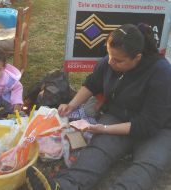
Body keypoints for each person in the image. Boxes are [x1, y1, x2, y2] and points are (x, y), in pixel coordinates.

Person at [26, 23, 171, 190]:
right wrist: (71, 105)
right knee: (99, 149)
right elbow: (93, 83)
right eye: (109, 55)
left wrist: (104, 128)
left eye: (118, 60)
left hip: (159, 128)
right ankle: (64, 186)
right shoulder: (110, 61)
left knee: (148, 164)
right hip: (120, 115)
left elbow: (147, 125)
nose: (111, 62)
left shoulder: (162, 73)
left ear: (137, 58)